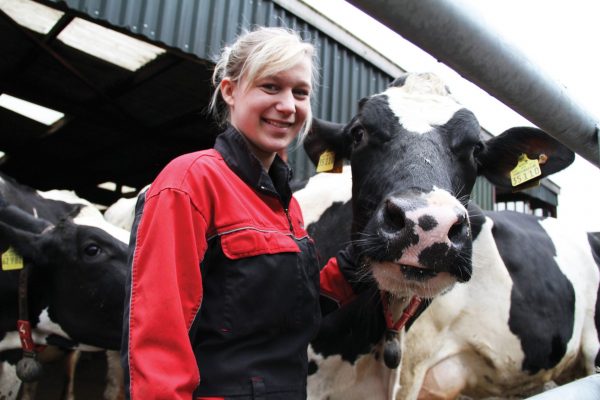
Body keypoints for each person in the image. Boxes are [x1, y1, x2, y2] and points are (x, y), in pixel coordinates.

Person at [121, 26, 357, 400]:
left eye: (300, 92)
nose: (287, 105)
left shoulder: (286, 203)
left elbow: (288, 310)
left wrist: (355, 266)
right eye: (270, 86)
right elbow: (157, 340)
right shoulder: (189, 182)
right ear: (230, 91)